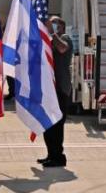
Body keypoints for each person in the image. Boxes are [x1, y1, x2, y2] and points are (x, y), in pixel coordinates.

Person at [40, 16, 73, 167]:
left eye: (54, 23)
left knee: (57, 125)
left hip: (60, 89)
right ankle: (51, 155)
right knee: (48, 124)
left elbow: (62, 48)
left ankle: (58, 157)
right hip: (49, 89)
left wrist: (52, 33)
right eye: (50, 23)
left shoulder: (65, 38)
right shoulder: (49, 41)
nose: (51, 24)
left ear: (62, 26)